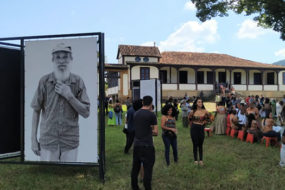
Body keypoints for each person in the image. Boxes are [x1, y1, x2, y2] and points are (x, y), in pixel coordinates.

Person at [31, 43, 90, 162]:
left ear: (71, 59)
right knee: (48, 176)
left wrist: (69, 96)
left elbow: (86, 113)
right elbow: (36, 110)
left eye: (65, 57)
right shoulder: (44, 81)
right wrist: (33, 140)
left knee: (68, 176)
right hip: (48, 141)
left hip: (70, 141)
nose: (61, 60)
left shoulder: (78, 82)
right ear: (53, 60)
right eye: (58, 57)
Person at [131, 96, 158, 190]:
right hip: (148, 146)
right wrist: (149, 129)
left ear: (142, 102)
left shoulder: (136, 114)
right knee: (148, 170)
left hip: (137, 145)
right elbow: (156, 132)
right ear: (151, 103)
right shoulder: (152, 115)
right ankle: (147, 187)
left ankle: (135, 187)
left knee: (135, 169)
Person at [188, 97, 210, 166]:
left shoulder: (205, 111)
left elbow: (211, 118)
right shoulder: (192, 111)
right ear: (196, 103)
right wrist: (192, 123)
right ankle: (195, 160)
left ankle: (201, 160)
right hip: (194, 128)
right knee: (195, 144)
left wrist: (205, 122)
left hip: (201, 128)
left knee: (200, 145)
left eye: (201, 102)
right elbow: (189, 119)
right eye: (199, 102)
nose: (200, 103)